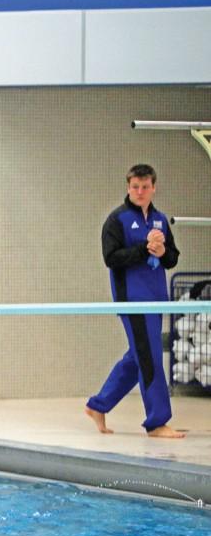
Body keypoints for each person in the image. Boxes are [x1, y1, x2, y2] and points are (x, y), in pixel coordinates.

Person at [85, 164, 184, 439]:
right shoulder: (116, 220)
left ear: (153, 187)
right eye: (135, 187)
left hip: (156, 299)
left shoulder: (160, 219)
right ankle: (157, 421)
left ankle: (98, 405)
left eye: (145, 186)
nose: (140, 191)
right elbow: (111, 258)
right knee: (150, 357)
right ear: (128, 187)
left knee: (138, 357)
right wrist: (144, 249)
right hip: (133, 300)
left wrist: (163, 251)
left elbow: (172, 258)